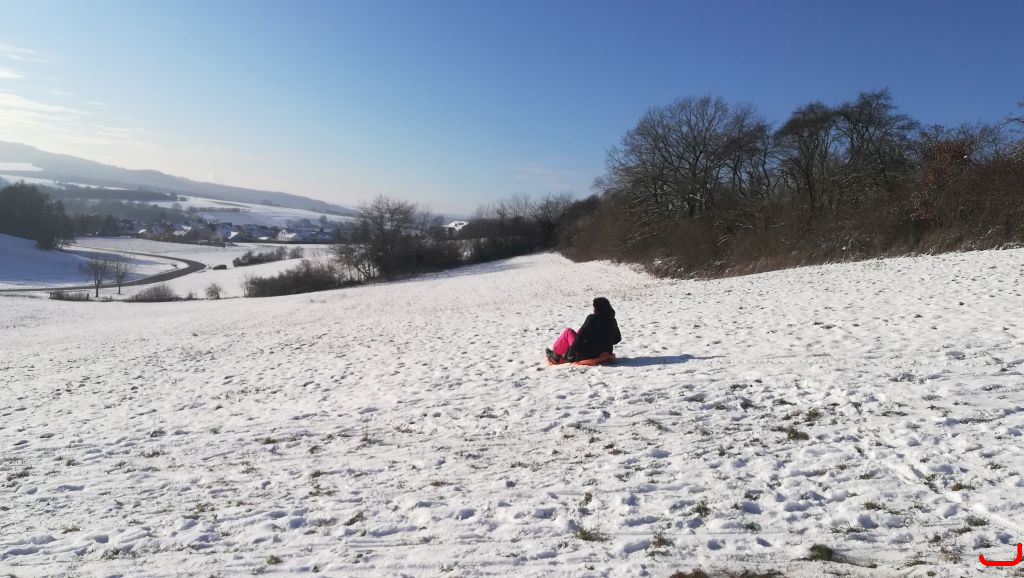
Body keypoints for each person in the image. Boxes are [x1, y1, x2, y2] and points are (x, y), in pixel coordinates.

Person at [546, 297, 621, 363]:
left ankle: (555, 356)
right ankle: (564, 352)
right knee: (580, 332)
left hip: (587, 354)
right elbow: (617, 338)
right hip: (606, 352)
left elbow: (580, 337)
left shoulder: (592, 318)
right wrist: (604, 341)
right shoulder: (612, 320)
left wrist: (570, 355)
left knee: (568, 332)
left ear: (597, 308)